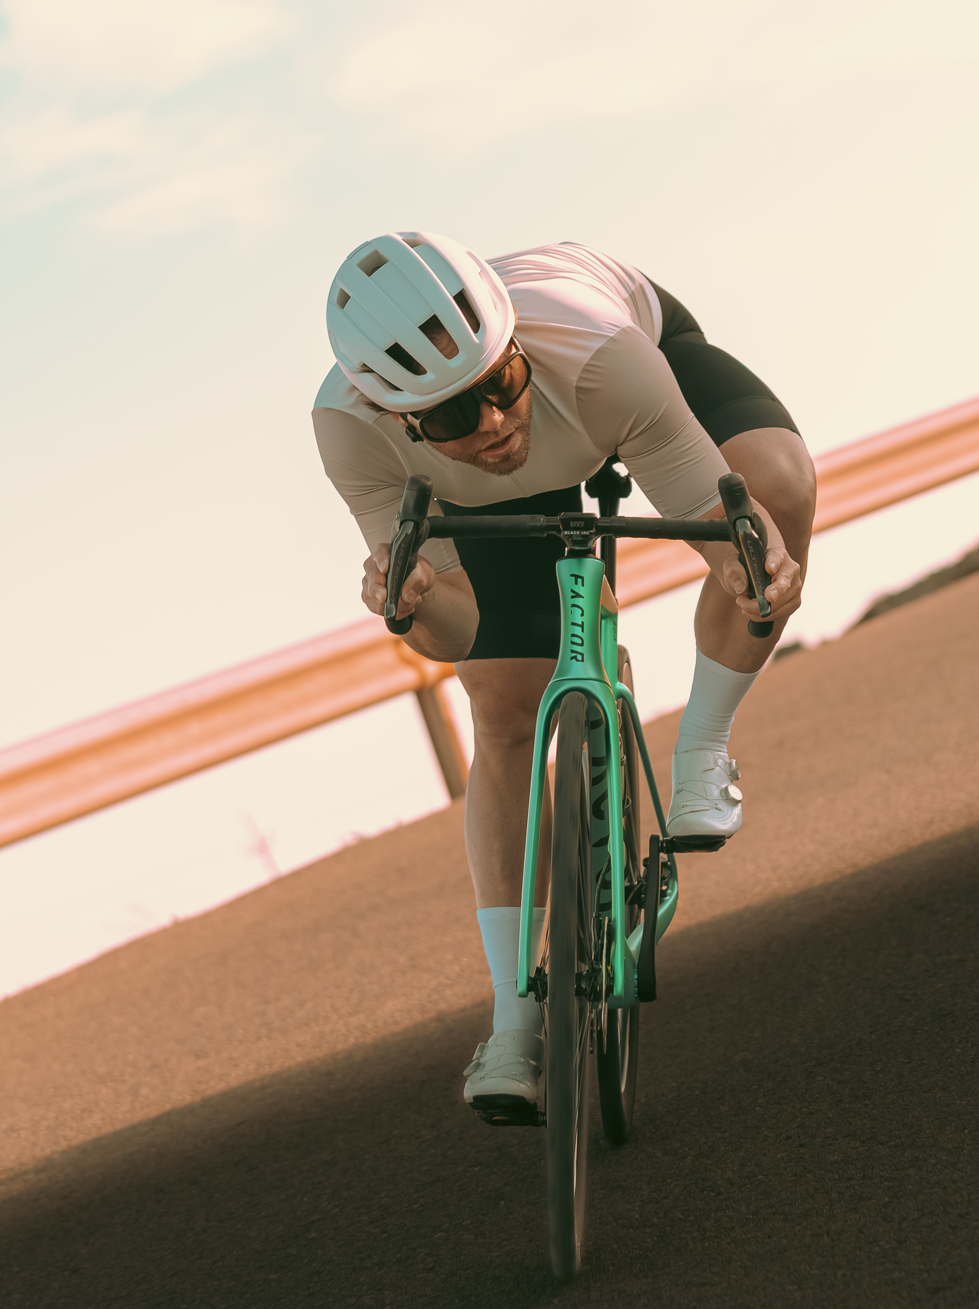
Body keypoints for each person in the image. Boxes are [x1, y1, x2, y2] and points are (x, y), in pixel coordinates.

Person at [312, 233, 815, 1120]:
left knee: (774, 488)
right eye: (453, 417)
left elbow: (719, 523)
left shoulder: (599, 355)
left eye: (500, 384)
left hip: (607, 386)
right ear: (398, 418)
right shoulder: (351, 430)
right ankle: (514, 1024)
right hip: (484, 488)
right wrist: (411, 602)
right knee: (503, 705)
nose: (493, 424)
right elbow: (457, 632)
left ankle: (702, 746)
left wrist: (755, 570)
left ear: (513, 347)